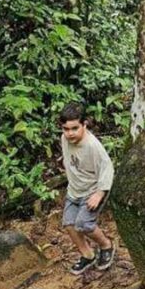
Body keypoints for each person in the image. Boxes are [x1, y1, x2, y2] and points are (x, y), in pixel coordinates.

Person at [58, 102, 116, 274]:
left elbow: (107, 167)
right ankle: (88, 255)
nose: (70, 133)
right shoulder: (64, 139)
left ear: (85, 124)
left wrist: (99, 193)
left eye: (75, 128)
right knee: (69, 224)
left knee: (83, 224)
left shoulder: (92, 145)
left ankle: (106, 245)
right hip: (74, 190)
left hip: (92, 191)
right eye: (65, 129)